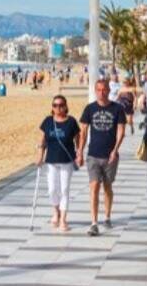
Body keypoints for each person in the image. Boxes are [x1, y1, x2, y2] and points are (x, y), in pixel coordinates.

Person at [77, 79, 126, 236]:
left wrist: (115, 150)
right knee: (94, 186)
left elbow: (121, 131)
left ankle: (107, 216)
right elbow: (83, 132)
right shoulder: (89, 109)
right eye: (98, 89)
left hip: (110, 155)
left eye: (104, 89)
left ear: (108, 90)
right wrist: (80, 151)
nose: (101, 92)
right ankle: (94, 222)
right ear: (95, 90)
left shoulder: (117, 109)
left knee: (107, 187)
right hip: (93, 154)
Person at [37, 95, 80, 232]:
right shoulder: (48, 121)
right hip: (51, 160)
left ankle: (63, 219)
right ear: (52, 107)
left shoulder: (71, 122)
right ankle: (56, 211)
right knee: (52, 189)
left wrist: (79, 154)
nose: (58, 108)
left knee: (64, 190)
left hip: (67, 161)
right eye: (55, 105)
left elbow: (78, 139)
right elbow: (42, 141)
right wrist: (39, 157)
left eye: (61, 105)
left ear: (66, 106)